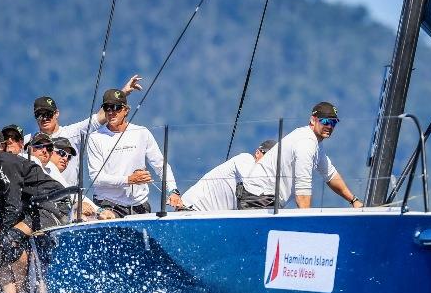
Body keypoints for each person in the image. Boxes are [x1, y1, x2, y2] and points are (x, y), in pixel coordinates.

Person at [0, 126, 70, 273]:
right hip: (31, 209)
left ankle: (32, 291)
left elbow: (13, 205)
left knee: (7, 241)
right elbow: (2, 209)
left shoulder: (5, 163)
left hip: (52, 203)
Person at [239, 102, 364, 209]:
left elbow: (331, 175)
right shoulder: (306, 143)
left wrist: (354, 201)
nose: (329, 126)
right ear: (312, 120)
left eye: (333, 123)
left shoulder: (315, 144)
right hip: (258, 199)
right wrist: (308, 226)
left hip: (265, 199)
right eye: (325, 121)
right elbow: (302, 190)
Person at [29, 74, 144, 185]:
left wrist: (123, 93)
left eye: (48, 114)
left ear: (57, 113)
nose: (44, 118)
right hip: (39, 197)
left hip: (69, 196)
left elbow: (100, 117)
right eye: (39, 114)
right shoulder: (28, 141)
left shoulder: (73, 132)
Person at [87, 88, 183, 218]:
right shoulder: (95, 137)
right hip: (108, 205)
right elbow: (96, 178)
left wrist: (173, 191)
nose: (111, 112)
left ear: (126, 110)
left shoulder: (141, 132)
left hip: (140, 205)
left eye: (116, 107)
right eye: (107, 107)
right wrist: (129, 180)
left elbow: (161, 165)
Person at [181, 139, 276, 211]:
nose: (269, 162)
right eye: (268, 157)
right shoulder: (246, 159)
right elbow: (255, 183)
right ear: (257, 152)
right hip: (192, 208)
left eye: (274, 161)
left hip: (209, 215)